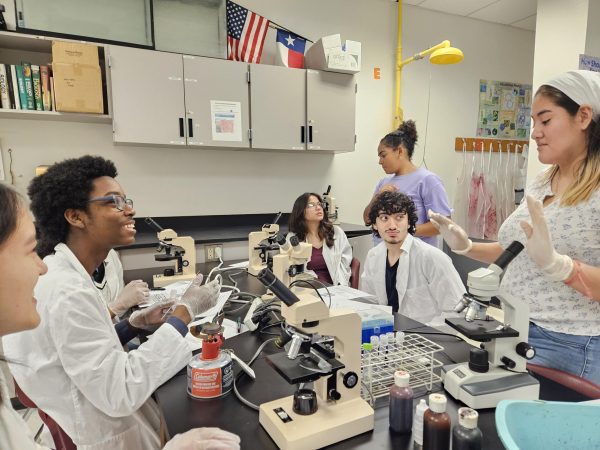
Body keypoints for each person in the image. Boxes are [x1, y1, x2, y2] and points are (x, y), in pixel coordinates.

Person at [2, 157, 239, 449]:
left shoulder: (69, 276)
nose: (130, 209)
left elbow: (73, 353)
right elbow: (120, 390)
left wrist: (130, 326)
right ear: (76, 217)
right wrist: (184, 311)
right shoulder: (66, 289)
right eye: (114, 202)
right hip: (104, 435)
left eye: (126, 199)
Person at [429, 70, 600, 385]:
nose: (534, 132)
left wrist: (561, 267)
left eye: (545, 121)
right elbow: (518, 250)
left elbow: (548, 258)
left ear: (584, 116)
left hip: (572, 346)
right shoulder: (543, 180)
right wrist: (466, 247)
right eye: (534, 122)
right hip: (516, 327)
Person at [361, 191, 465, 326]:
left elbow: (457, 312)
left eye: (399, 217)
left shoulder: (432, 257)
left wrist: (420, 333)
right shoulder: (373, 256)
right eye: (384, 218)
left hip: (428, 338)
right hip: (386, 334)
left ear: (409, 222)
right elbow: (370, 303)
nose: (392, 225)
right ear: (375, 224)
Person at [363, 120, 452, 246]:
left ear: (399, 151)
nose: (380, 161)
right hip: (384, 257)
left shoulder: (428, 180)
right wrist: (377, 198)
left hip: (417, 258)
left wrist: (405, 230)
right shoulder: (383, 183)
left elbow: (443, 225)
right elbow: (367, 219)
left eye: (383, 155)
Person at [288, 192, 352, 286]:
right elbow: (293, 269)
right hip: (308, 288)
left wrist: (340, 283)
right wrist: (316, 284)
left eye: (319, 204)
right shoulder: (293, 238)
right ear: (301, 211)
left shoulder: (336, 232)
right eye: (311, 205)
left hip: (336, 287)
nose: (318, 208)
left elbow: (345, 261)